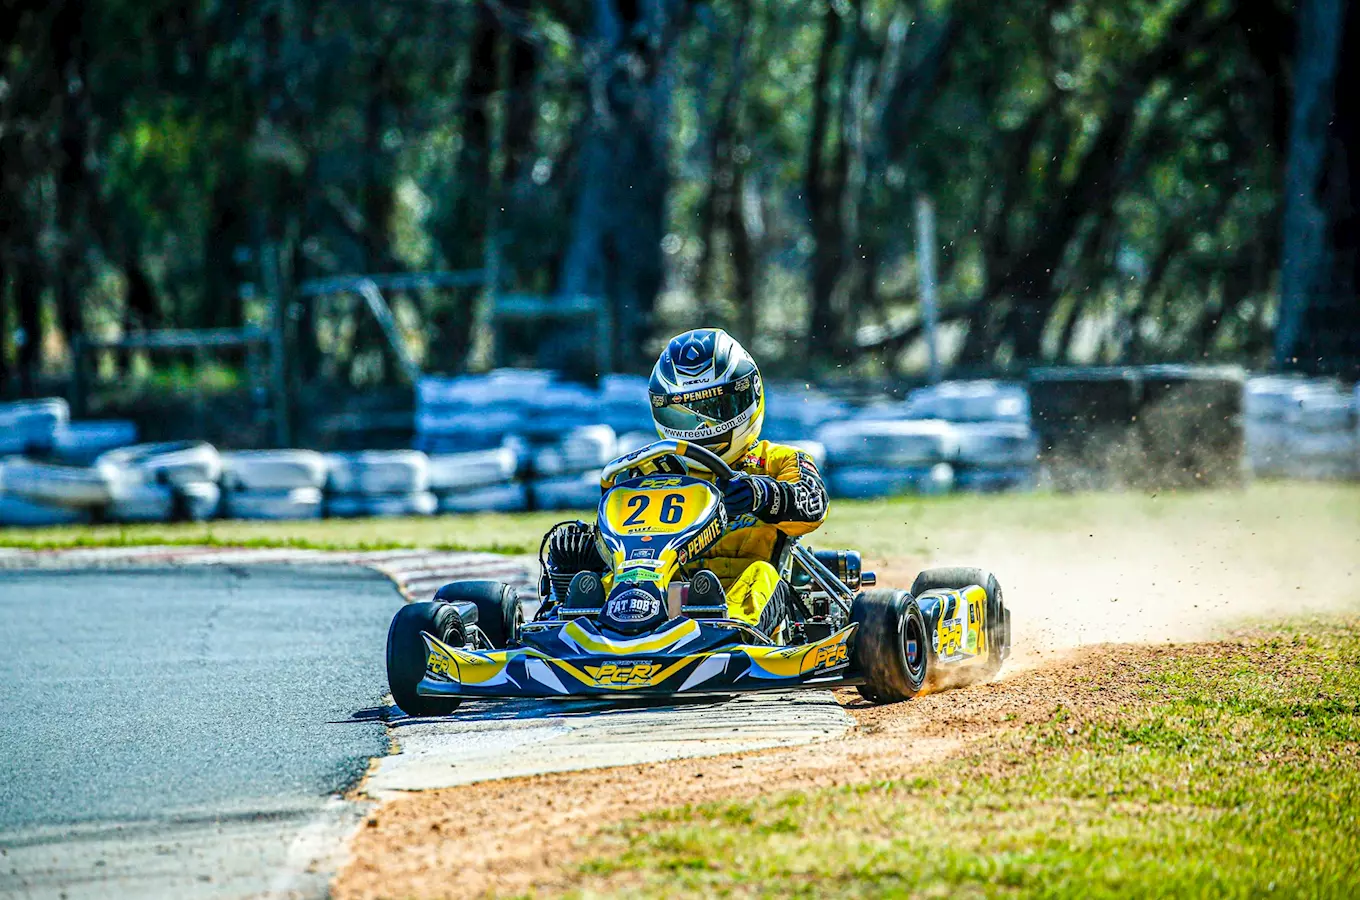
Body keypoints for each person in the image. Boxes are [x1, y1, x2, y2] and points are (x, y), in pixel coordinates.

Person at [644, 327, 829, 640]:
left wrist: (764, 494)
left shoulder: (779, 460)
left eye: (716, 410)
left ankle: (727, 636)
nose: (703, 428)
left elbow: (813, 504)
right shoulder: (651, 473)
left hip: (749, 586)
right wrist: (589, 549)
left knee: (761, 576)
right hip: (667, 589)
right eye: (686, 415)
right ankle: (592, 629)